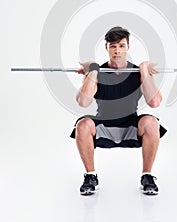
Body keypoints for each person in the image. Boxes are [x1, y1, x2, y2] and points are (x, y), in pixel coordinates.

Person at [70, 26, 167, 195]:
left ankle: (147, 177)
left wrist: (144, 69)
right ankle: (91, 177)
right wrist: (93, 69)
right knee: (82, 124)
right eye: (113, 46)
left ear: (128, 47)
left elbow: (155, 102)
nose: (117, 51)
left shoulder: (138, 72)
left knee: (152, 123)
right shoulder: (97, 72)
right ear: (106, 47)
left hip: (131, 125)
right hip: (104, 125)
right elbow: (83, 102)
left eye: (121, 46)